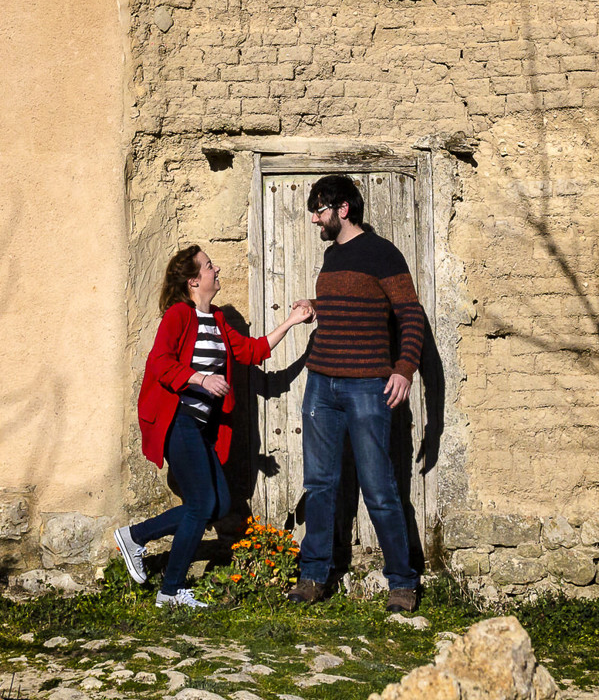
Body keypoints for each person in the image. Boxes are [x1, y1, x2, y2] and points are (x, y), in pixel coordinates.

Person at [115, 244, 314, 609]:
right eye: (209, 266)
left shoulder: (219, 320)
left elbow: (252, 352)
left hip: (202, 428)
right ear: (194, 281)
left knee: (219, 503)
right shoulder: (179, 315)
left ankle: (134, 537)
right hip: (178, 420)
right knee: (202, 502)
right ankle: (170, 590)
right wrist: (202, 380)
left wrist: (292, 323)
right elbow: (159, 363)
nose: (216, 268)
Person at [290, 174, 428, 612]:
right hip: (321, 384)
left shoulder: (383, 253)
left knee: (379, 487)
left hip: (369, 385)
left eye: (320, 210)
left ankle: (402, 581)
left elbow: (410, 314)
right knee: (319, 484)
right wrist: (315, 309)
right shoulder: (331, 258)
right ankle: (313, 576)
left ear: (343, 209)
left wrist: (405, 368)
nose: (315, 219)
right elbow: (348, 310)